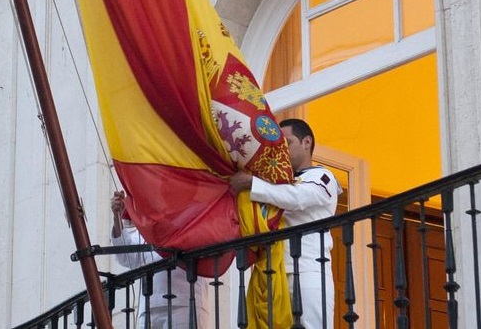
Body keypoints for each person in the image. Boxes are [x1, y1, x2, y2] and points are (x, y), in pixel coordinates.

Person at [228, 118, 342, 329]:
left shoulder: (322, 176)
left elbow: (297, 197)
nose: (282, 151)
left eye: (287, 143)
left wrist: (253, 184)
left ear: (306, 142)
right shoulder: (276, 180)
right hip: (272, 270)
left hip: (308, 271)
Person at [110, 191, 208, 328]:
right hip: (149, 304)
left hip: (185, 301)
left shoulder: (194, 214)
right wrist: (117, 218)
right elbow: (127, 258)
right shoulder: (148, 224)